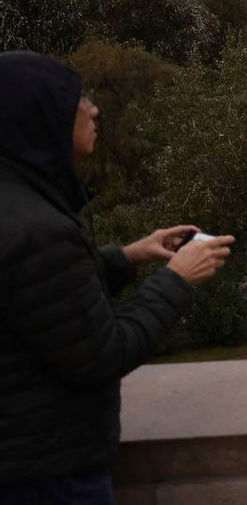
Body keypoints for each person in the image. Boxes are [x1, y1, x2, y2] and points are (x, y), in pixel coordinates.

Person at [0, 51, 234, 503]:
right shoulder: (37, 227)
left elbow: (41, 300)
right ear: (40, 116)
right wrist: (176, 279)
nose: (94, 109)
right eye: (79, 99)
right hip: (46, 475)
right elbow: (103, 354)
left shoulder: (16, 202)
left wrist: (125, 258)